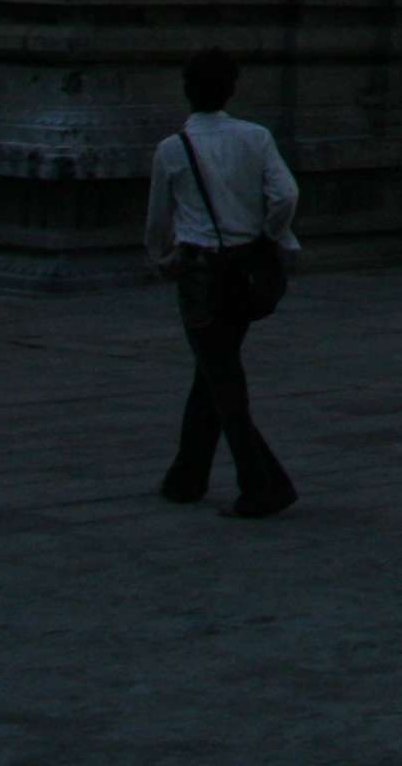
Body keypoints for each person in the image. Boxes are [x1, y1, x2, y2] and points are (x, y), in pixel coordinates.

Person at [142, 47, 299, 519]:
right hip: (245, 268)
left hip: (200, 273)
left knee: (221, 377)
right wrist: (269, 234)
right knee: (213, 369)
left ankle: (264, 483)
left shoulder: (173, 149)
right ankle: (187, 475)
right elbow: (285, 194)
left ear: (187, 90)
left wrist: (162, 258)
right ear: (232, 88)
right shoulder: (256, 137)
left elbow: (158, 220)